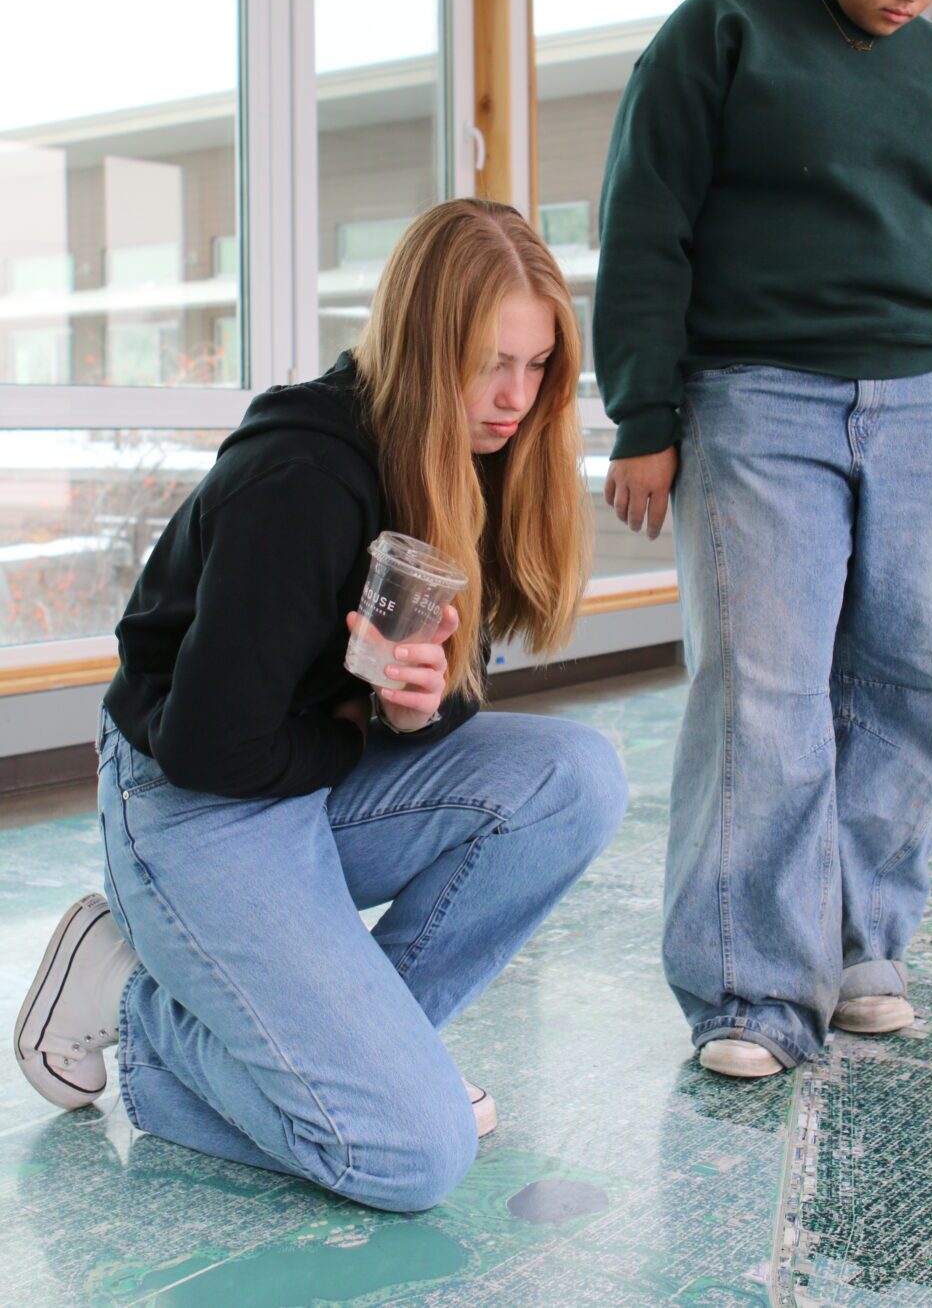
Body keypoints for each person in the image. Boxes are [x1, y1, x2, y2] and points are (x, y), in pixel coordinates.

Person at [16, 200, 627, 1208]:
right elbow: (211, 748)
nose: (516, 398)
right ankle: (133, 1006)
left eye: (538, 365)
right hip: (194, 804)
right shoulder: (302, 480)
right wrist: (359, 726)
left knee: (576, 777)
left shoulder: (471, 454)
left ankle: (368, 1070)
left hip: (296, 775)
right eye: (489, 364)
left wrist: (413, 712)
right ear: (424, 348)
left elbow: (442, 682)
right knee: (412, 1157)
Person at [593, 0, 932, 1080]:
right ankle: (750, 989)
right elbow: (646, 224)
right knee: (763, 693)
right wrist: (644, 415)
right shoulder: (721, 34)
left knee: (919, 683)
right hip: (760, 400)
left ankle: (859, 945)